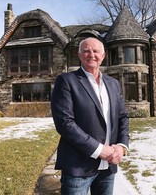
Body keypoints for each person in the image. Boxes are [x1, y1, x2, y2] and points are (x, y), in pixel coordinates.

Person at [51, 37, 129, 195]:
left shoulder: (113, 84)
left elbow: (122, 117)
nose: (91, 54)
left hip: (108, 167)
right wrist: (99, 150)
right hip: (77, 167)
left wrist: (122, 146)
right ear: (79, 55)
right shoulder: (66, 81)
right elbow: (65, 123)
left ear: (103, 55)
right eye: (86, 51)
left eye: (95, 51)